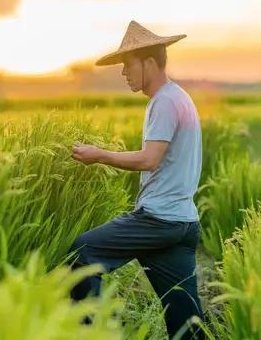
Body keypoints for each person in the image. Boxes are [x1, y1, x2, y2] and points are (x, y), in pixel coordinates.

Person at [69, 20, 205, 339]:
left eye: (127, 66)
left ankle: (98, 334)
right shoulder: (178, 97)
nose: (124, 74)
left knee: (81, 252)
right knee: (187, 324)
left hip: (157, 221)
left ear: (149, 63)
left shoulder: (165, 101)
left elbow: (149, 158)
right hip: (182, 224)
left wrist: (99, 155)